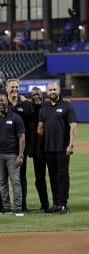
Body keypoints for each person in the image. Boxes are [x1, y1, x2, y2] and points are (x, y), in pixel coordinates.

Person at [37, 82, 78, 214]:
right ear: (47, 92)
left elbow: (73, 126)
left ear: (59, 90)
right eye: (50, 90)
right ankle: (56, 203)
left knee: (62, 176)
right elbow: (40, 129)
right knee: (52, 176)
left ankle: (63, 204)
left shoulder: (67, 106)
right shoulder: (44, 108)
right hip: (48, 149)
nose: (52, 91)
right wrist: (38, 147)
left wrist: (71, 144)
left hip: (62, 148)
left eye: (54, 89)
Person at [0, 94, 25, 216]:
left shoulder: (16, 118)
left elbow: (22, 137)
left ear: (6, 102)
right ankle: (6, 207)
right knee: (2, 181)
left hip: (12, 155)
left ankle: (18, 208)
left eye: (2, 101)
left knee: (15, 181)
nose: (0, 103)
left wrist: (20, 155)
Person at [6, 78, 34, 212]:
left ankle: (22, 205)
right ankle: (3, 206)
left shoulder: (25, 104)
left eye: (16, 87)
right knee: (4, 178)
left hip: (20, 148)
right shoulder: (2, 104)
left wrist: (29, 146)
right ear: (6, 89)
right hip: (5, 148)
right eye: (12, 87)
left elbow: (31, 125)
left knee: (21, 177)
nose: (15, 90)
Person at [29, 87, 50, 212]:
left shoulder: (48, 107)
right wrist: (34, 148)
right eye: (34, 95)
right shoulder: (30, 109)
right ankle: (45, 204)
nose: (36, 96)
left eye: (38, 94)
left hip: (49, 147)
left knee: (54, 176)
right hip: (37, 151)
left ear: (42, 95)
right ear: (31, 97)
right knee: (39, 179)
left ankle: (58, 203)